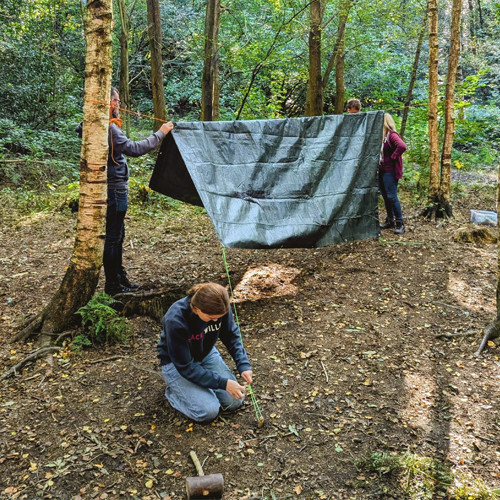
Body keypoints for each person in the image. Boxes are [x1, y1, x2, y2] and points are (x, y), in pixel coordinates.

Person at [77, 87, 174, 295]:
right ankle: (113, 285)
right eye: (117, 101)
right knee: (114, 236)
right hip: (114, 189)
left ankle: (120, 278)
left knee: (118, 235)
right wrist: (162, 133)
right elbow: (135, 149)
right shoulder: (108, 128)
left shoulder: (94, 126)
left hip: (111, 187)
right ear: (109, 103)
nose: (119, 105)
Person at [157, 283, 253, 423]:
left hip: (205, 353)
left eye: (219, 317)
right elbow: (186, 367)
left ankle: (201, 390)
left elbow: (231, 335)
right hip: (177, 364)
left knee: (235, 401)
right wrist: (223, 383)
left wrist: (243, 364)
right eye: (211, 318)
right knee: (208, 411)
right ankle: (174, 393)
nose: (215, 320)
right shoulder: (175, 320)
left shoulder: (221, 308)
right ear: (196, 308)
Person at [378, 113, 407, 234]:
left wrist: (392, 157)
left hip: (390, 171)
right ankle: (390, 221)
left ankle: (400, 223)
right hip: (381, 170)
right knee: (385, 196)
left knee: (391, 196)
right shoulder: (382, 136)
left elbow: (402, 146)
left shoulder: (392, 135)